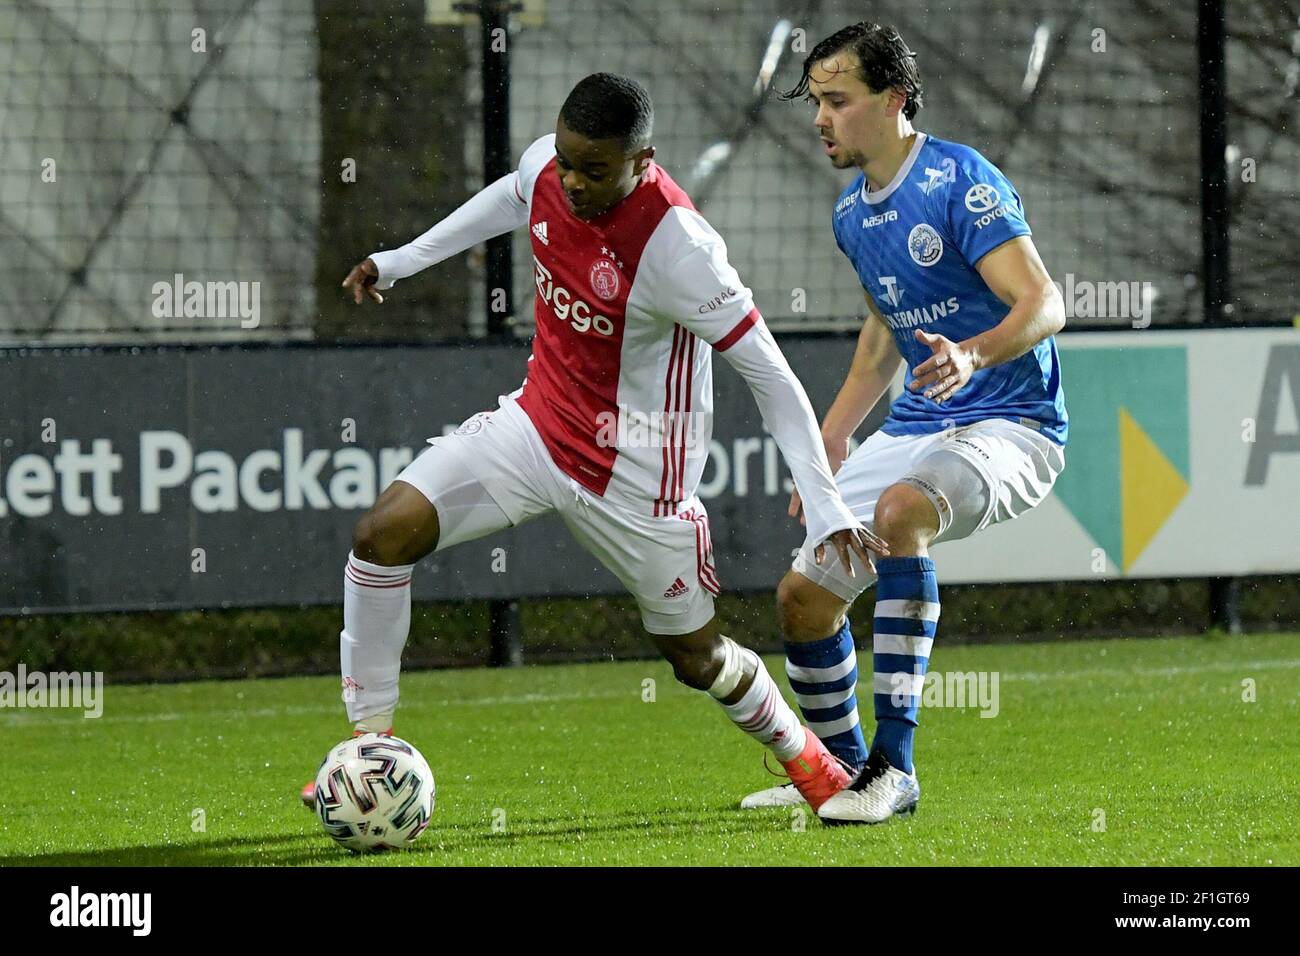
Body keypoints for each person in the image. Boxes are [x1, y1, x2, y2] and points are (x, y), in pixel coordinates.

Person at [301, 72, 888, 813]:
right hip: (536, 430)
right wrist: (404, 259)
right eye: (568, 163)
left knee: (695, 658)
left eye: (595, 170)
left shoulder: (681, 248)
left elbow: (770, 377)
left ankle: (809, 761)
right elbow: (509, 198)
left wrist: (824, 496)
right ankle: (369, 752)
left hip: (638, 479)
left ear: (645, 158)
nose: (572, 181)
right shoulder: (552, 165)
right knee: (382, 536)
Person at [739, 23, 1068, 824]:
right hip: (919, 425)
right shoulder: (853, 213)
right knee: (803, 597)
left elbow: (1045, 303)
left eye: (837, 101)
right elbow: (882, 335)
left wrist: (975, 354)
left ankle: (896, 768)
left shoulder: (960, 178)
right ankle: (841, 766)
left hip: (1012, 421)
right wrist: (834, 432)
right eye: (815, 102)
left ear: (893, 102)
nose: (820, 118)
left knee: (900, 515)